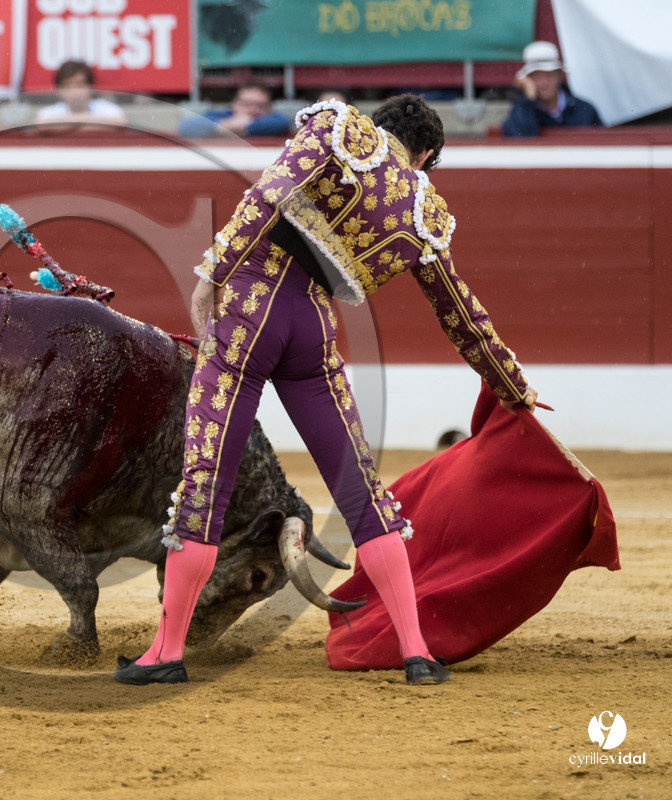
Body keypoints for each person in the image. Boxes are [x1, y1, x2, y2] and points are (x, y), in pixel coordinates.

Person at [115, 95, 538, 687]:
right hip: (313, 329)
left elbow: (269, 191)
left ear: (381, 124)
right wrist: (512, 384)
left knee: (206, 486)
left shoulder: (340, 128)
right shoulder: (420, 206)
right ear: (425, 153)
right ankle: (417, 652)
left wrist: (213, 270)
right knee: (363, 493)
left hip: (251, 307)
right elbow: (459, 312)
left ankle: (165, 653)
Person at [502, 41, 603, 137]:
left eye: (549, 75)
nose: (544, 83)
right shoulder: (522, 110)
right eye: (536, 77)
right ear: (527, 81)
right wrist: (529, 98)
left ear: (560, 76)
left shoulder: (584, 110)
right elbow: (519, 145)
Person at [34, 61, 126, 131]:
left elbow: (120, 122)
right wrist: (89, 123)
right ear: (59, 90)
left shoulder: (107, 109)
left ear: (90, 87)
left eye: (80, 85)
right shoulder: (50, 112)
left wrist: (67, 125)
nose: (74, 91)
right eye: (67, 86)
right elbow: (41, 124)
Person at [177, 83, 291, 139]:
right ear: (234, 104)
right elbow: (186, 127)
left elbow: (282, 123)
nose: (254, 109)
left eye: (261, 105)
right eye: (247, 104)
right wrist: (227, 125)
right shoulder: (220, 114)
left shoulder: (274, 118)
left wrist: (241, 125)